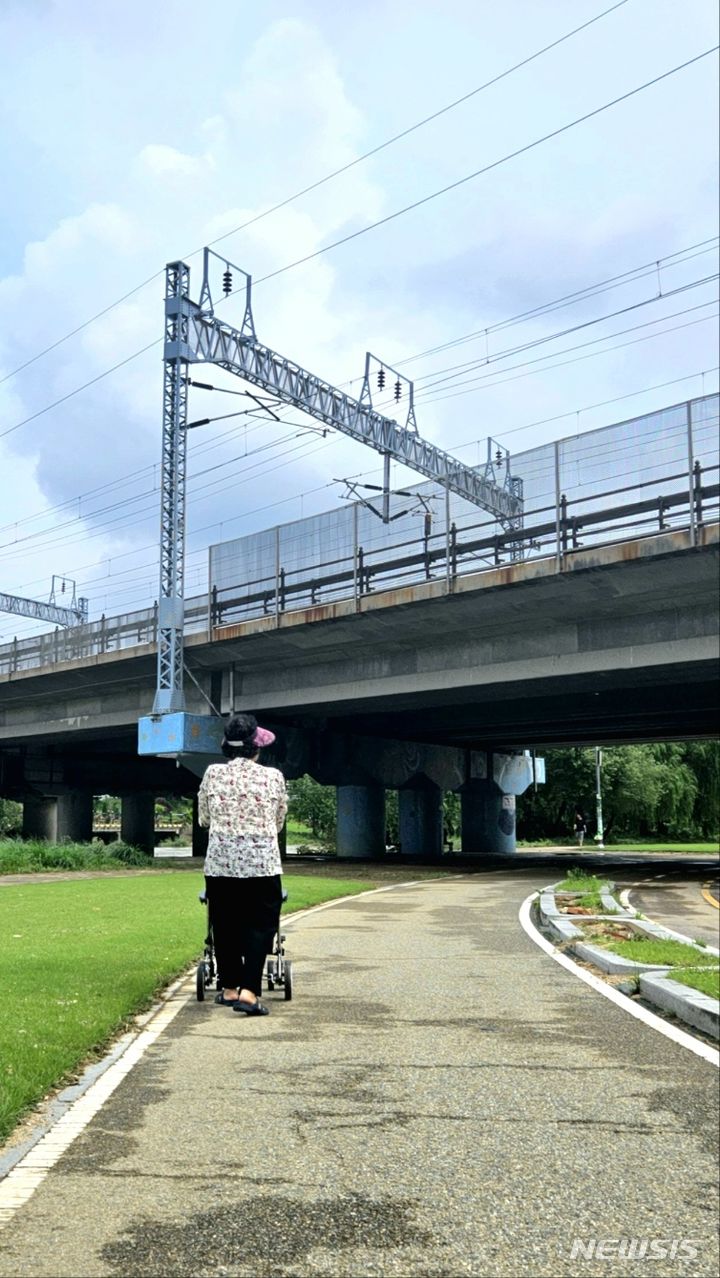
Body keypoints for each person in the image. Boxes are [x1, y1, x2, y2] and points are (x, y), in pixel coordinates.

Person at [197, 712, 288, 1016]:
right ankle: (249, 992)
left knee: (224, 923)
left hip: (221, 863)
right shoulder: (273, 776)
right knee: (261, 925)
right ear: (255, 747)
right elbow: (278, 822)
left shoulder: (212, 774)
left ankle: (229, 987)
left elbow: (204, 818)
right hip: (261, 864)